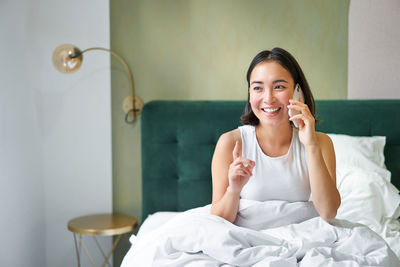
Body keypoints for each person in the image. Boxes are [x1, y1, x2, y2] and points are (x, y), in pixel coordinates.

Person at [210, 48, 340, 223]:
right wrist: (233, 190)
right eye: (258, 88)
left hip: (300, 239)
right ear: (250, 94)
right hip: (248, 240)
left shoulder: (321, 143)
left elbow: (329, 212)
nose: (268, 98)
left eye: (279, 86)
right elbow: (218, 221)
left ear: (297, 91)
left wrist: (311, 146)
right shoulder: (230, 142)